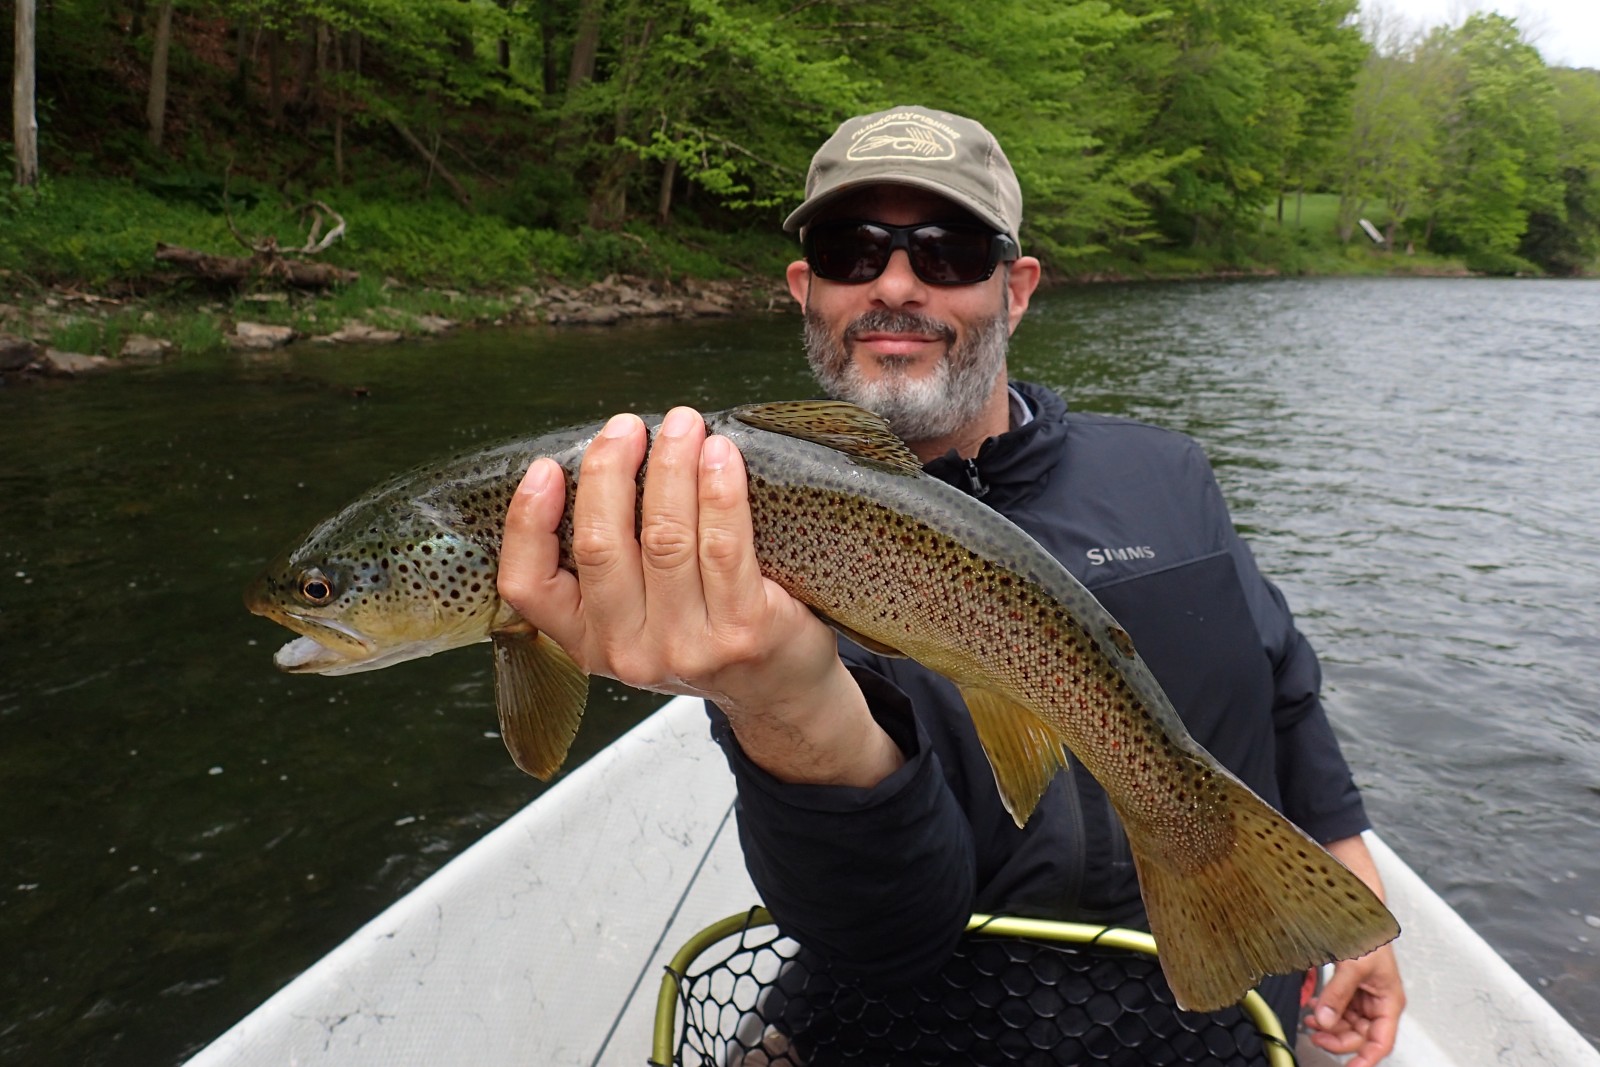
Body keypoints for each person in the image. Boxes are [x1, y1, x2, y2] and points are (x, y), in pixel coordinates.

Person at [498, 105, 1404, 1065]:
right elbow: (884, 938)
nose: (895, 282)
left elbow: (1279, 680)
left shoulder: (1166, 471)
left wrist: (1351, 868)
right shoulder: (744, 549)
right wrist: (784, 707)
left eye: (950, 250)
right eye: (853, 250)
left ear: (1015, 289)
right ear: (807, 291)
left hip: (1220, 1021)